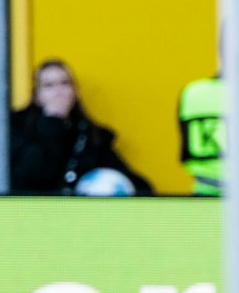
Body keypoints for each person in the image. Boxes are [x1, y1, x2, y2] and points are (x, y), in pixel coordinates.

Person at [9, 59, 153, 195]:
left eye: (65, 83)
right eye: (49, 85)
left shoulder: (91, 135)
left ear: (75, 91)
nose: (58, 91)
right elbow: (28, 177)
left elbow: (129, 180)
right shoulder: (15, 127)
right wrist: (52, 122)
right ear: (36, 95)